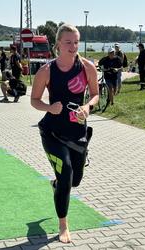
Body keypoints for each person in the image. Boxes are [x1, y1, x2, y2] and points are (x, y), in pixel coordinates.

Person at [31, 24, 99, 243]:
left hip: (77, 133)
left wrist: (88, 107)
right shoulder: (46, 71)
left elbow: (96, 95)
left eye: (76, 42)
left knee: (74, 181)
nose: (73, 46)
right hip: (52, 133)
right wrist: (49, 108)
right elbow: (34, 99)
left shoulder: (87, 67)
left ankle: (57, 185)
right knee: (66, 172)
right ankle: (63, 225)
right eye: (68, 42)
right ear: (58, 44)